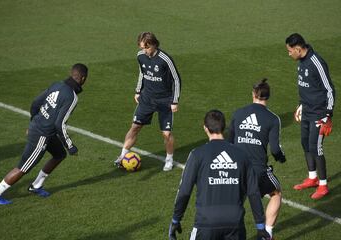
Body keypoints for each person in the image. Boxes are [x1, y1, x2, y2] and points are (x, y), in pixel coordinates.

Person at [0, 63, 88, 205]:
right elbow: (60, 124)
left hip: (42, 128)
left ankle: (36, 185)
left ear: (72, 74)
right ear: (83, 79)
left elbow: (35, 103)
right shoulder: (72, 97)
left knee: (59, 154)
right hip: (42, 134)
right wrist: (70, 146)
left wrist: (33, 122)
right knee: (24, 167)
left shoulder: (56, 85)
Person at [169, 110, 270, 240]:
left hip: (206, 223)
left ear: (205, 128)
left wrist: (176, 219)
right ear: (224, 127)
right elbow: (253, 192)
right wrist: (260, 226)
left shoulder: (197, 154)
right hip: (235, 223)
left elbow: (184, 191)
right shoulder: (242, 155)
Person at [114, 32, 181, 171]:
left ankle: (169, 159)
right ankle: (122, 156)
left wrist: (175, 101)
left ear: (153, 44)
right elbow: (142, 72)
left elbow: (176, 79)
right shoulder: (140, 56)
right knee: (135, 127)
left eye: (146, 48)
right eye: (142, 48)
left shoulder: (165, 59)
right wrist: (138, 90)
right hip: (147, 98)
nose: (144, 51)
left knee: (166, 133)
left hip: (164, 100)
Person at [228, 79, 286, 239]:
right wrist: (281, 158)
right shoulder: (273, 119)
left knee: (235, 203)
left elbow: (228, 142)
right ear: (268, 96)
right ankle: (267, 233)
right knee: (276, 193)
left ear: (253, 94)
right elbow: (275, 149)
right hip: (258, 171)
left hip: (236, 168)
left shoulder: (238, 113)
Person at [286, 33, 335, 199]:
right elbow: (305, 88)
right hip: (306, 111)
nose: (289, 53)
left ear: (298, 49)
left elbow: (329, 90)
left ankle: (323, 185)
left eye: (290, 50)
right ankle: (312, 178)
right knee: (305, 143)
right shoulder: (301, 62)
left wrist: (327, 116)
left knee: (316, 147)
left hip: (319, 114)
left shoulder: (317, 63)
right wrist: (300, 106)